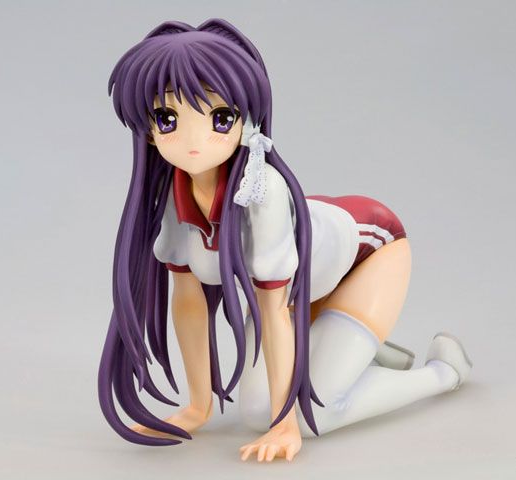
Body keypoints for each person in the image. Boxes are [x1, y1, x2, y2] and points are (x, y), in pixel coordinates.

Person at [97, 18, 473, 463]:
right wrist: (198, 405)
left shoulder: (264, 193)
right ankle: (355, 353)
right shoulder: (171, 200)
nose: (193, 141)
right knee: (263, 408)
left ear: (247, 120)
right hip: (300, 284)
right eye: (168, 118)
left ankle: (444, 371)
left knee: (312, 413)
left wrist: (285, 423)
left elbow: (272, 309)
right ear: (148, 127)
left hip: (369, 254)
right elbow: (188, 301)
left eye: (220, 118)